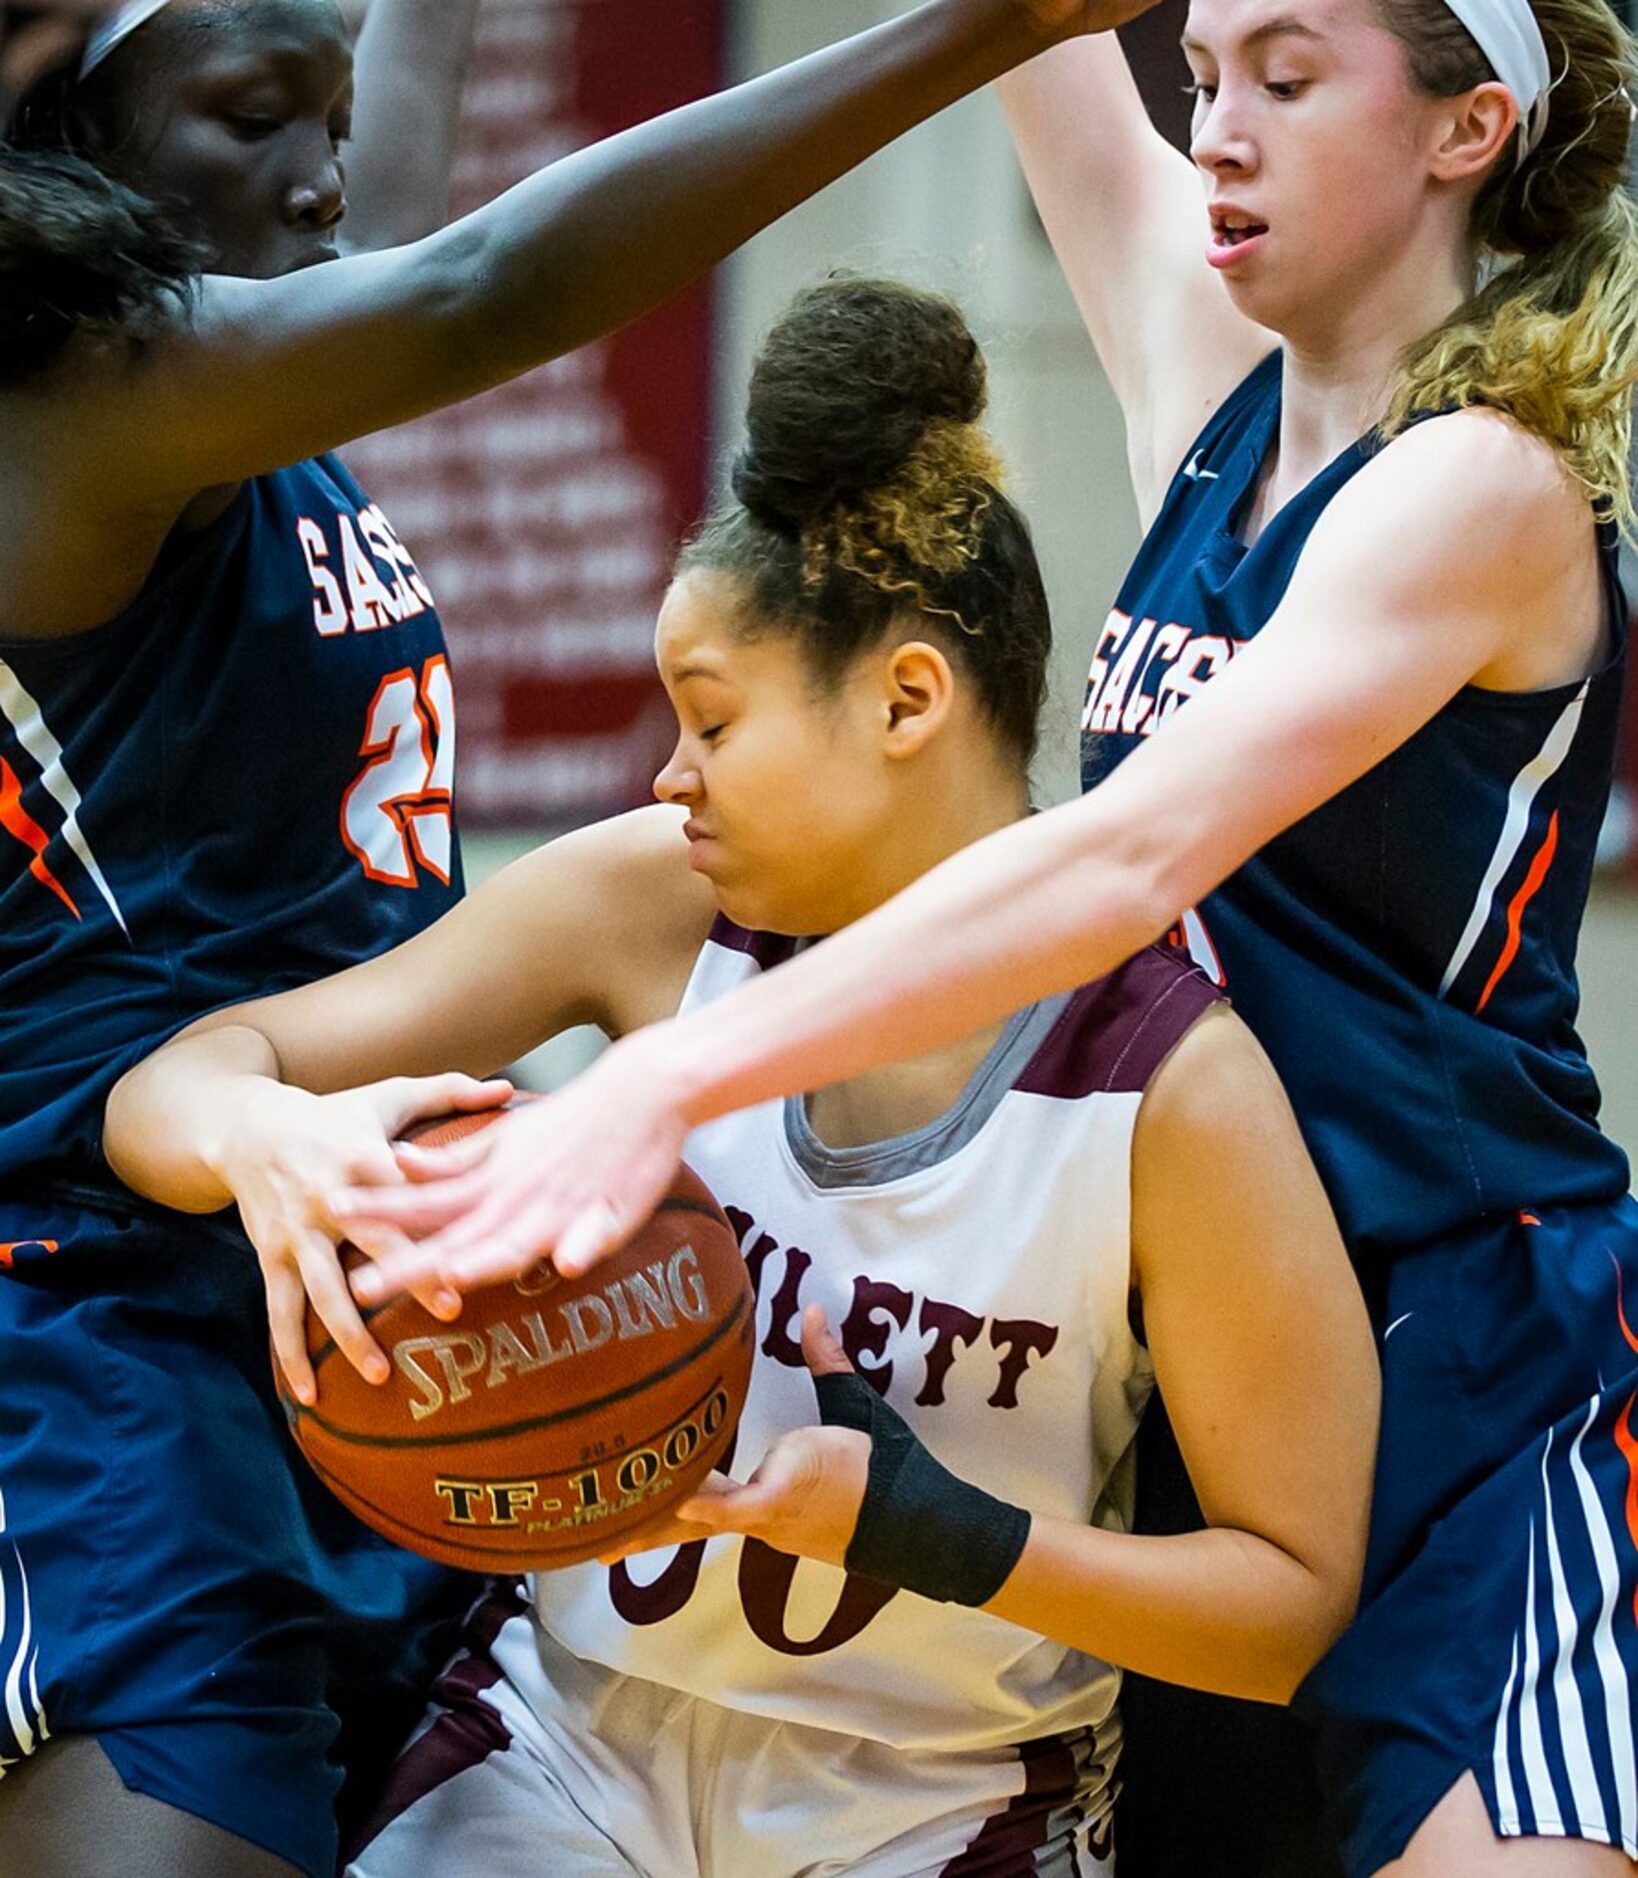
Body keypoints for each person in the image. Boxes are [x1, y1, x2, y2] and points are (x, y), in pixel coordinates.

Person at [331, 1, 1638, 1874]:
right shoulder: (1224, 406)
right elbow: (1034, 40)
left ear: (1465, 130)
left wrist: (670, 1077)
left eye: (1284, 77)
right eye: (1199, 81)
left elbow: (1121, 862)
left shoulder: (1482, 486)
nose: (1214, 134)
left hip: (1468, 1338)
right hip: (1195, 1345)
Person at [0, 1, 1152, 1872]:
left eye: (333, 119)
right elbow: (479, 283)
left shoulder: (248, 357)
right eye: (251, 119)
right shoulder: (65, 408)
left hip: (360, 1282)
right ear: (78, 148)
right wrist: (984, 30)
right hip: (99, 1291)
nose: (323, 178)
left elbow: (409, 189)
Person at [105, 274, 1379, 1877]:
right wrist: (269, 1138)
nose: (669, 771)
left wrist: (942, 1535)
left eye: (710, 719)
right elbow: (170, 1085)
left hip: (945, 1799)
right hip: (558, 1743)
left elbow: (1287, 1611)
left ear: (907, 698)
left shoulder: (1166, 1081)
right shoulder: (652, 902)